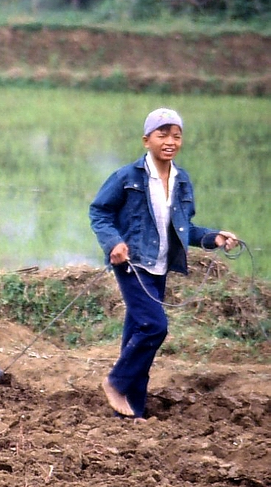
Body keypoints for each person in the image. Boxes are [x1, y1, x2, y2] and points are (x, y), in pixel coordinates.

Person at [89, 107, 238, 421]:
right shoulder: (126, 177)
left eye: (176, 135)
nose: (170, 141)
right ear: (147, 140)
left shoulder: (182, 182)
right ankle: (115, 383)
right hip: (132, 264)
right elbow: (99, 213)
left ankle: (131, 415)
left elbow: (185, 228)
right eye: (162, 134)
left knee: (137, 339)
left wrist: (214, 238)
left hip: (159, 267)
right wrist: (113, 242)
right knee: (155, 327)